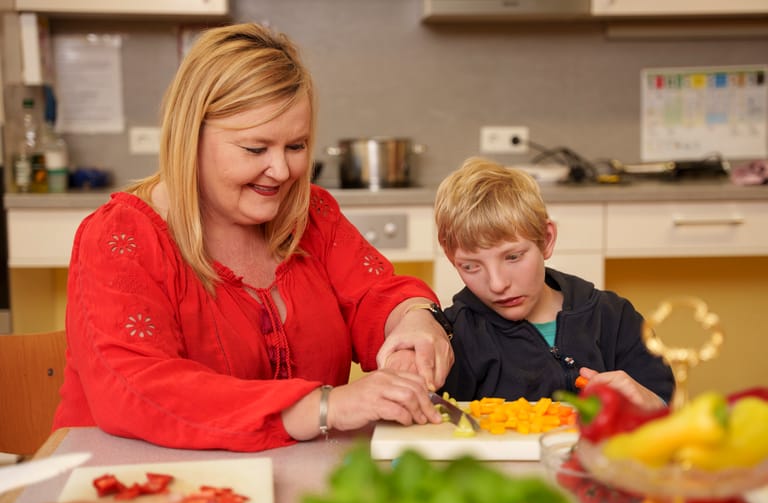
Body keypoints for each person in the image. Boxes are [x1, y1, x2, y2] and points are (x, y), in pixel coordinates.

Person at [51, 23, 453, 452]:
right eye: (255, 150)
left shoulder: (311, 213)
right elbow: (137, 389)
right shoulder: (119, 237)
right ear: (191, 137)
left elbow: (379, 295)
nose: (281, 171)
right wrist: (323, 407)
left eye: (295, 147)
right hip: (136, 481)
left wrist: (415, 324)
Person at [434, 157, 674, 409]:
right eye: (471, 266)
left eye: (513, 257)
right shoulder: (453, 336)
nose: (497, 284)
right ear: (452, 259)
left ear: (546, 240)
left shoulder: (614, 317)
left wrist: (649, 402)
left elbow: (667, 405)